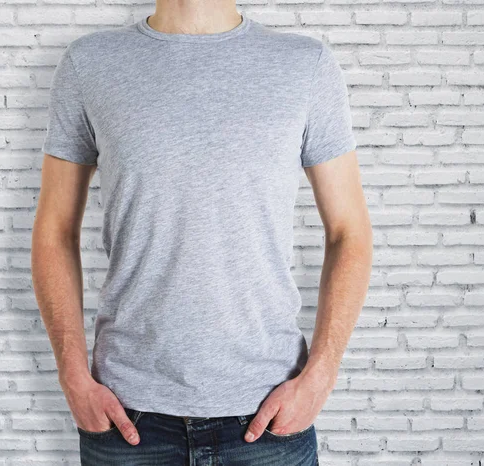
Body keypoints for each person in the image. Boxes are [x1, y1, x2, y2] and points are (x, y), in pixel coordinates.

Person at [31, 3, 373, 465]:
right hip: (127, 418)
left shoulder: (304, 65)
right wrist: (72, 374)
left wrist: (321, 376)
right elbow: (55, 229)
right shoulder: (90, 63)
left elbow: (349, 230)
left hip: (269, 417)